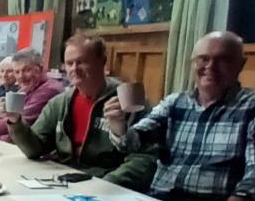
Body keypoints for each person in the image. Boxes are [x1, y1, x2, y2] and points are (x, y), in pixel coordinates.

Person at [104, 31, 255, 200]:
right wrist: (118, 125)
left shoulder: (250, 106)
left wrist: (241, 197)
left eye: (223, 59)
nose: (211, 66)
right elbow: (132, 144)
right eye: (203, 59)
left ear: (241, 64)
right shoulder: (175, 102)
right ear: (193, 64)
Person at [7, 35, 156, 192]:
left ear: (103, 61)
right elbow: (34, 149)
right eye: (69, 63)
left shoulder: (129, 99)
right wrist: (15, 122)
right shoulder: (60, 102)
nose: (74, 69)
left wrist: (105, 185)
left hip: (106, 187)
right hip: (62, 183)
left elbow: (145, 160)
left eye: (82, 62)